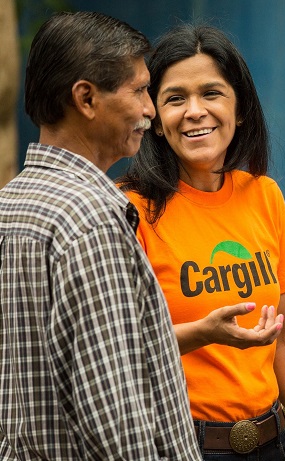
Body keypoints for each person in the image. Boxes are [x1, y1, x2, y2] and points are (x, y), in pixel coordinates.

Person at [0, 11, 200, 460]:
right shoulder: (90, 220)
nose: (151, 108)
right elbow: (118, 426)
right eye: (139, 90)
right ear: (86, 99)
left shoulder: (9, 205)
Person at [117, 24, 285, 461]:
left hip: (272, 443)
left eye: (211, 93)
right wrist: (202, 333)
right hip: (180, 444)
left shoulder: (264, 195)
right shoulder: (130, 211)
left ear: (239, 108)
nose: (194, 111)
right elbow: (117, 348)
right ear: (154, 118)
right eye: (175, 98)